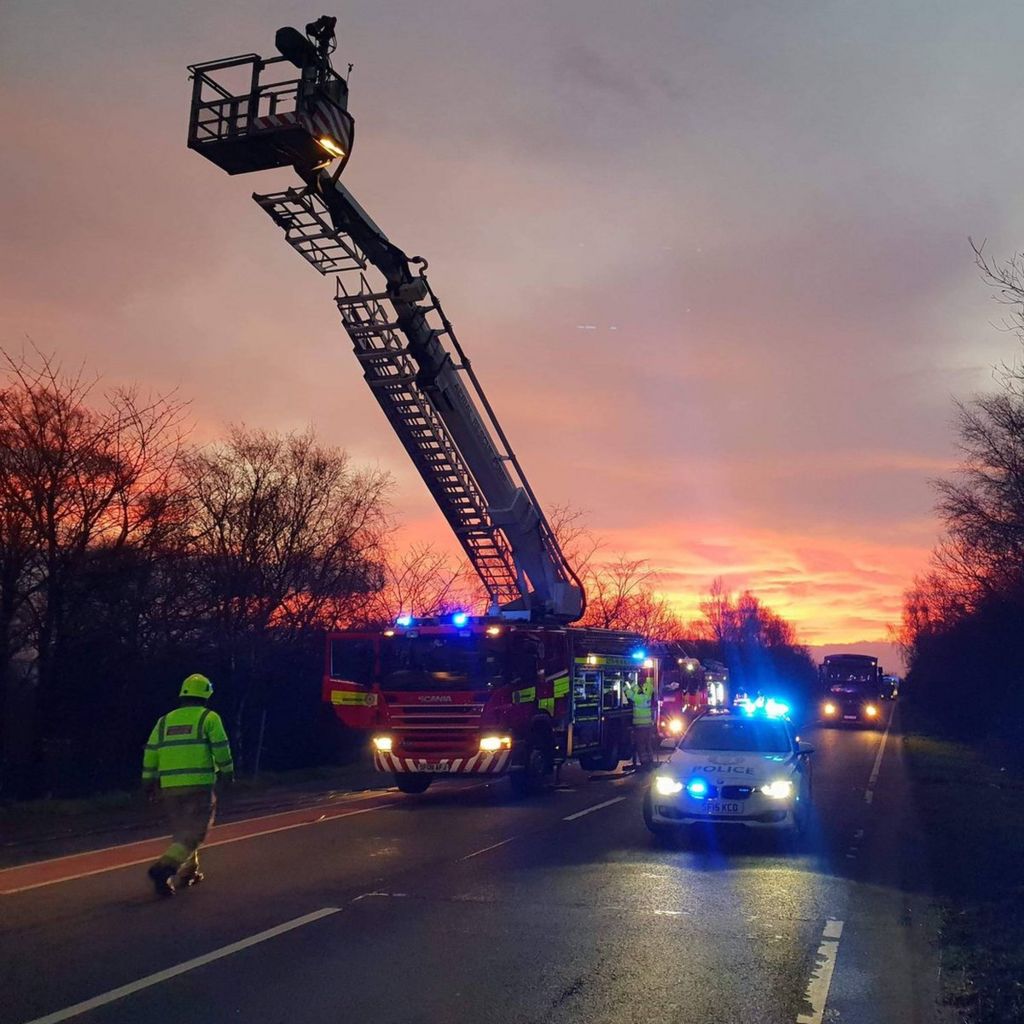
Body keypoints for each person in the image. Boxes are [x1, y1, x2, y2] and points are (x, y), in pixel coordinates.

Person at [142, 673, 234, 896]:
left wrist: (148, 781)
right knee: (194, 834)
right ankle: (163, 869)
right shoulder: (209, 718)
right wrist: (227, 772)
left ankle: (189, 871)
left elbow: (151, 752)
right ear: (206, 695)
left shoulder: (164, 721)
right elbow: (220, 747)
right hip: (199, 786)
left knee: (183, 832)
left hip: (170, 788)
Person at [629, 673, 657, 769]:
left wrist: (627, 682)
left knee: (641, 745)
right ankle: (650, 761)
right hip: (648, 724)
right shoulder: (648, 693)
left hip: (639, 725)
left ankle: (644, 762)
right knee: (648, 744)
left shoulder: (636, 697)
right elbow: (650, 687)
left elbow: (629, 693)